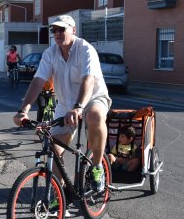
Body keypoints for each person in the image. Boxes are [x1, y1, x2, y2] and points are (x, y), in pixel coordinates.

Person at [13, 14, 112, 195]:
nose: (57, 33)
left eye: (62, 29)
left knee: (95, 115)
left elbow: (88, 80)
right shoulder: (50, 53)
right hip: (65, 105)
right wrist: (23, 110)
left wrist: (79, 106)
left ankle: (97, 167)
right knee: (53, 148)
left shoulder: (86, 50)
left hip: (92, 99)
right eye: (54, 30)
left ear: (73, 30)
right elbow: (38, 81)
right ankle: (57, 192)